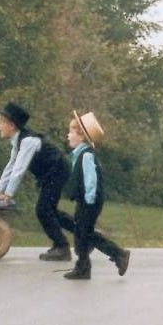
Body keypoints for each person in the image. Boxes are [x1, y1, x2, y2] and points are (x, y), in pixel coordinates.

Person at [0, 102, 72, 261]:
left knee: (43, 210)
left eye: (1, 122)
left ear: (11, 125)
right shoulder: (18, 140)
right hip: (49, 174)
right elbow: (11, 166)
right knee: (51, 211)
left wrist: (8, 194)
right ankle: (86, 233)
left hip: (57, 170)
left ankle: (62, 247)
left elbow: (19, 170)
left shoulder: (28, 141)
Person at [62, 110, 129, 280]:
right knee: (82, 232)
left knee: (85, 232)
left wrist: (89, 200)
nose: (67, 135)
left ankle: (118, 254)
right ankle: (84, 267)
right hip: (85, 200)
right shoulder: (79, 154)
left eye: (71, 132)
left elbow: (90, 180)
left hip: (90, 201)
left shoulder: (86, 156)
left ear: (82, 136)